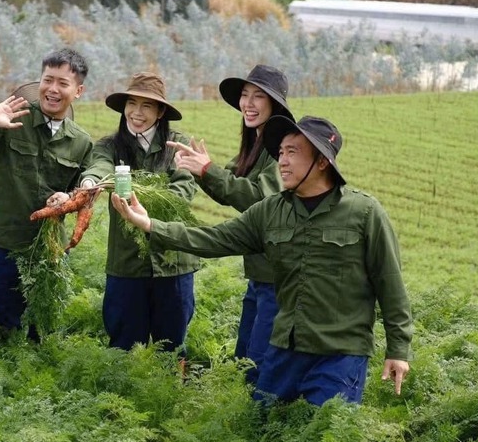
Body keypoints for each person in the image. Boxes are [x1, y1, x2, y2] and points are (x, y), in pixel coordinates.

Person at [111, 114, 413, 405]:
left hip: (340, 354)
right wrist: (150, 225)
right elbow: (214, 239)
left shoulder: (363, 212)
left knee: (325, 436)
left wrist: (398, 349)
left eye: (292, 152)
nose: (281, 160)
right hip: (284, 349)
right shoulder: (270, 211)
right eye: (280, 152)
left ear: (322, 161)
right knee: (262, 428)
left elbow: (390, 282)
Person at [0, 48, 93, 337]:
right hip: (3, 242)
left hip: (49, 250)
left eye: (62, 83)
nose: (52, 89)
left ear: (78, 91)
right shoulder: (11, 119)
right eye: (47, 80)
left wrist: (68, 199)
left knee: (43, 329)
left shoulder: (81, 142)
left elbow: (83, 194)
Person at [167, 64, 292, 384]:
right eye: (244, 96)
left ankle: (265, 426)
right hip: (261, 271)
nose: (247, 103)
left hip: (279, 276)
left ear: (275, 104)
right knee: (244, 359)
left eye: (258, 96)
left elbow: (259, 200)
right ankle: (249, 421)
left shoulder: (281, 147)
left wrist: (207, 170)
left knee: (260, 364)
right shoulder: (256, 143)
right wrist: (201, 170)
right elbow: (231, 186)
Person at [69, 71, 200, 353]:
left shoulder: (176, 145)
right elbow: (99, 167)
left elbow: (185, 188)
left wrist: (148, 207)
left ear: (161, 111)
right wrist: (90, 184)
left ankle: (170, 394)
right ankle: (124, 396)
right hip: (127, 262)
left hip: (173, 262)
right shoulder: (110, 146)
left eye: (147, 106)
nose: (136, 113)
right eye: (132, 103)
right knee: (123, 344)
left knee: (173, 346)